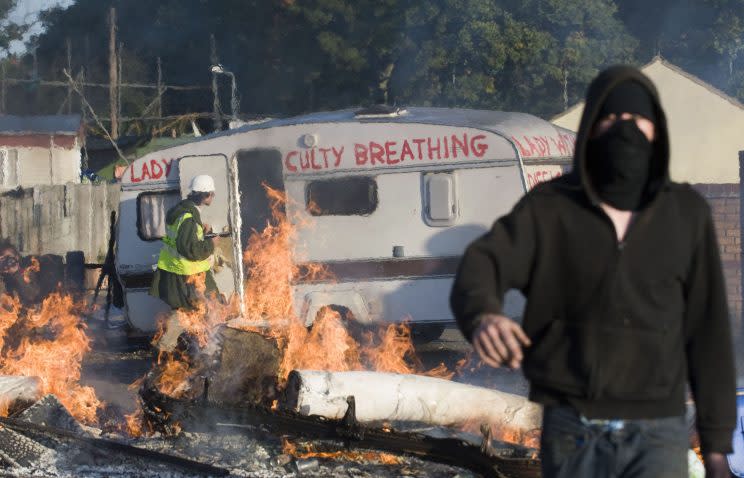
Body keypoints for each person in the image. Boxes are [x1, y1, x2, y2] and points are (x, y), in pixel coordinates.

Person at [450, 65, 735, 478]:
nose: (626, 131)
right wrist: (484, 313)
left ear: (657, 130)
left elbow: (709, 334)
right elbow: (484, 263)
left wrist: (715, 448)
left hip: (657, 430)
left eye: (638, 120)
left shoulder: (684, 214)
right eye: (612, 119)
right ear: (590, 128)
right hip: (571, 426)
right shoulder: (550, 208)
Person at [150, 174, 218, 310]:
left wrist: (201, 230)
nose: (213, 196)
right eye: (212, 194)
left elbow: (181, 239)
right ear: (207, 195)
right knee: (209, 309)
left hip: (176, 274)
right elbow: (190, 249)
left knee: (198, 315)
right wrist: (212, 243)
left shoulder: (182, 212)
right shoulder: (188, 218)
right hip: (188, 278)